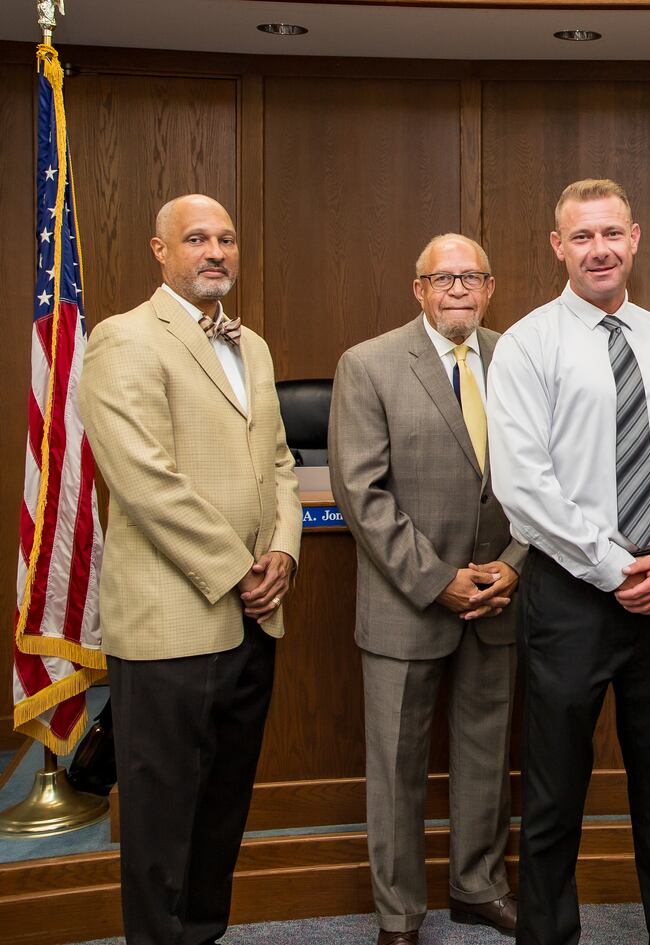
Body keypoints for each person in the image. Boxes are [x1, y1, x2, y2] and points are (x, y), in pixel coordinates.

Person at [487, 178, 650, 945]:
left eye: (611, 233)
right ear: (558, 246)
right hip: (571, 594)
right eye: (583, 236)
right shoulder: (528, 343)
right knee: (555, 790)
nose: (600, 249)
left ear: (635, 238)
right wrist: (612, 566)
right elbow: (523, 485)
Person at [78, 194, 301, 945]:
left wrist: (284, 551)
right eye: (197, 238)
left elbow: (280, 463)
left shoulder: (253, 346)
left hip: (256, 617)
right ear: (160, 250)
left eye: (226, 239)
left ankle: (204, 933)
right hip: (170, 620)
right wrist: (240, 568)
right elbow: (145, 480)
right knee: (161, 814)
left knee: (222, 806)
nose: (215, 251)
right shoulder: (124, 339)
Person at [329, 233, 526, 945]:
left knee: (485, 755)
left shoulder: (519, 358)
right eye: (443, 278)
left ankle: (478, 886)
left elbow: (547, 477)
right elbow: (361, 494)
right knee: (395, 768)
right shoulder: (369, 364)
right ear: (419, 289)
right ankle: (398, 915)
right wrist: (439, 580)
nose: (458, 289)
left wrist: (514, 564)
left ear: (490, 287)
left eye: (472, 276)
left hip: (498, 597)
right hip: (406, 603)